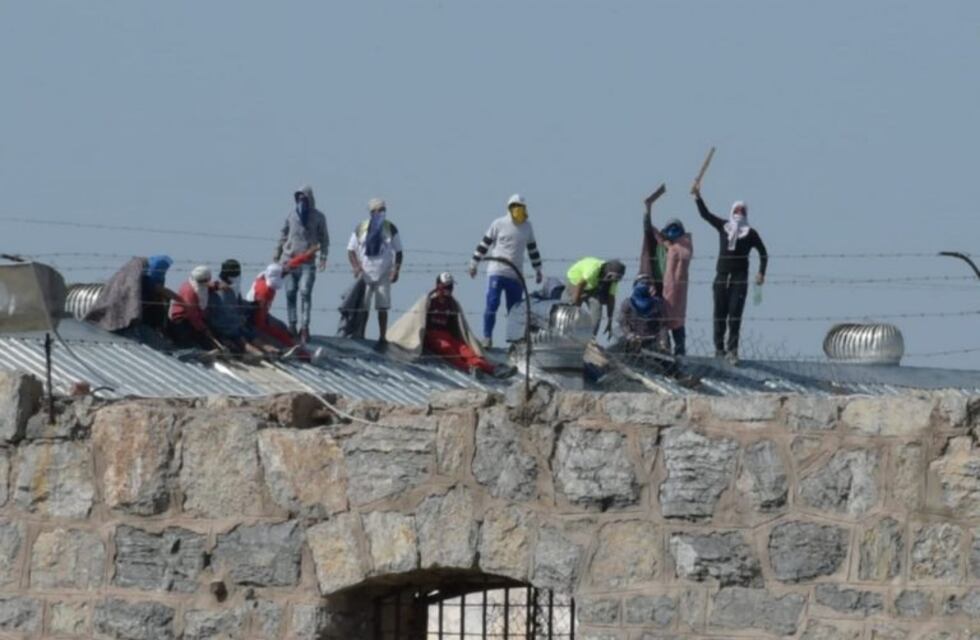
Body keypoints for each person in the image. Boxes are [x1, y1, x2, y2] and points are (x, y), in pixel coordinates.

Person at [693, 186, 768, 364]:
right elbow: (705, 214)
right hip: (721, 275)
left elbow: (763, 253)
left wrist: (761, 273)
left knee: (735, 314)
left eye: (742, 210)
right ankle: (719, 349)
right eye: (736, 210)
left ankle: (732, 351)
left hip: (739, 278)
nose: (739, 213)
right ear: (731, 211)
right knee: (719, 314)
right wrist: (697, 196)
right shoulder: (724, 227)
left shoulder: (750, 233)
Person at [468, 193, 544, 349]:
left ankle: (514, 343)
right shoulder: (498, 224)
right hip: (497, 271)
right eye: (515, 207)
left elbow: (532, 249)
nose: (518, 210)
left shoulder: (527, 227)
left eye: (521, 207)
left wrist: (538, 269)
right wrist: (474, 263)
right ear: (509, 208)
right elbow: (484, 244)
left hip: (516, 275)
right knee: (493, 303)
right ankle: (487, 337)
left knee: (514, 310)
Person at [274, 185, 329, 342]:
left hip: (308, 261)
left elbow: (324, 239)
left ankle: (305, 327)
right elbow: (283, 236)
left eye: (304, 198)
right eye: (298, 198)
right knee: (290, 292)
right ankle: (292, 325)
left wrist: (323, 257)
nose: (301, 201)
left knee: (305, 292)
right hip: (289, 260)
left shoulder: (319, 217)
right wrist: (277, 255)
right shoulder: (291, 216)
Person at [347, 198, 403, 349]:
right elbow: (351, 250)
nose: (381, 213)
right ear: (372, 212)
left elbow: (398, 251)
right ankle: (361, 334)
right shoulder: (361, 228)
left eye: (383, 210)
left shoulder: (390, 228)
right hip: (365, 273)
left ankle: (382, 337)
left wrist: (396, 271)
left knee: (382, 306)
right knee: (364, 306)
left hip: (383, 272)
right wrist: (356, 266)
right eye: (378, 210)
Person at [643, 195, 693, 356]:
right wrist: (648, 209)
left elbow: (683, 254)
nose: (673, 232)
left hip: (678, 291)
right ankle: (666, 352)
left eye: (676, 228)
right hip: (662, 287)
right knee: (662, 321)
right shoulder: (663, 244)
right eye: (670, 228)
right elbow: (649, 228)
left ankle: (680, 353)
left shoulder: (684, 246)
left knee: (677, 322)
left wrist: (671, 246)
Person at [206, 259, 261, 354]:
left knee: (252, 334)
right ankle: (259, 354)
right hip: (223, 326)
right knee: (242, 338)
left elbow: (237, 305)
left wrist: (250, 306)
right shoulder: (219, 290)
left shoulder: (232, 288)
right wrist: (238, 321)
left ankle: (273, 352)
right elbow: (222, 314)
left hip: (235, 323)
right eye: (236, 275)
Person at [566, 257, 626, 338]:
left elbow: (611, 298)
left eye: (617, 278)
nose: (613, 280)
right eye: (611, 276)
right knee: (572, 309)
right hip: (576, 281)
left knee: (597, 309)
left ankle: (590, 338)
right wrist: (575, 306)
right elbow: (580, 285)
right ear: (606, 271)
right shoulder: (593, 269)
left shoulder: (613, 281)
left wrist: (610, 320)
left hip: (592, 287)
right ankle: (568, 332)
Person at [168, 265, 221, 350]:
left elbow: (206, 287)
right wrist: (204, 329)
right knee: (196, 343)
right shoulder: (189, 292)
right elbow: (193, 315)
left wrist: (216, 286)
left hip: (195, 319)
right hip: (181, 321)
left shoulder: (198, 284)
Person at [245, 263, 296, 349]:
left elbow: (291, 264)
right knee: (278, 335)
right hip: (254, 319)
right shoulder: (263, 292)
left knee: (282, 327)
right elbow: (259, 321)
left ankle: (295, 346)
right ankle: (295, 352)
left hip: (261, 315)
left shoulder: (264, 276)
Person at [617, 277, 666, 351]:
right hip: (632, 340)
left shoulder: (657, 304)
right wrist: (630, 335)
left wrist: (662, 342)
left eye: (647, 284)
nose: (644, 286)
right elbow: (622, 322)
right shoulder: (628, 303)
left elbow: (662, 326)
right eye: (642, 283)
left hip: (651, 341)